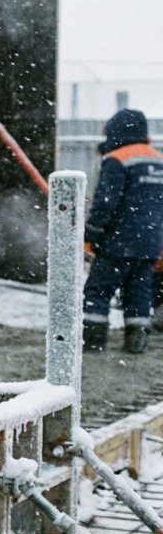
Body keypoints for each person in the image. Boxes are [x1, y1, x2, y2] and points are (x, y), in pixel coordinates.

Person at [82, 108, 163, 354]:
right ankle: (136, 343)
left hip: (118, 242)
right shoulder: (158, 159)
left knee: (97, 290)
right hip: (149, 243)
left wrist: (91, 234)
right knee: (138, 293)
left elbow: (105, 203)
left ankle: (93, 343)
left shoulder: (116, 159)